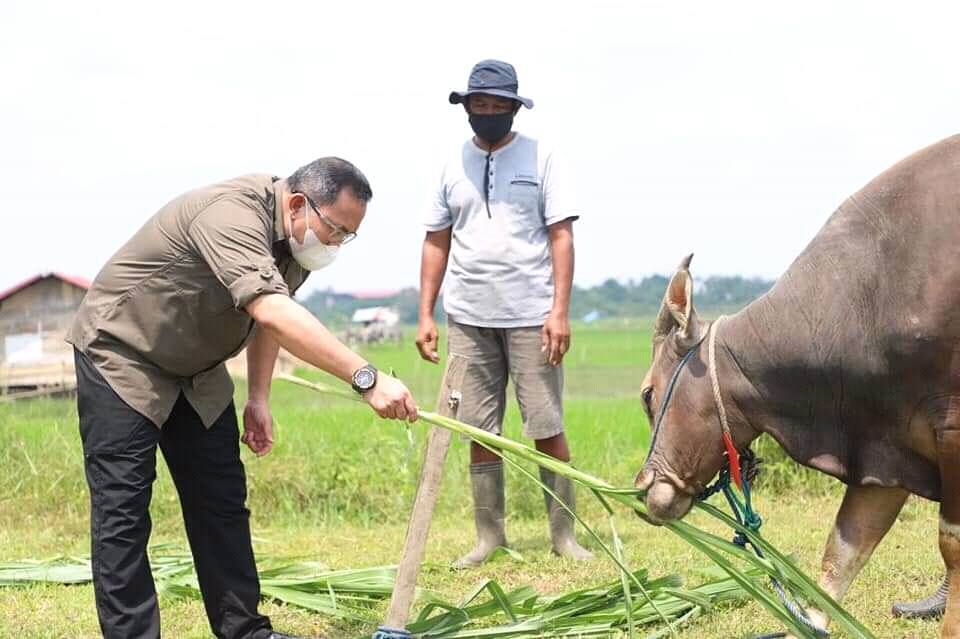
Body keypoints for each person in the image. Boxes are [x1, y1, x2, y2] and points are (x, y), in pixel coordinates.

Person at [66, 157, 418, 639]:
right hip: (125, 352)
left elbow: (272, 316)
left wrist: (258, 397)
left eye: (346, 236)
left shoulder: (297, 244)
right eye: (335, 229)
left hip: (196, 368)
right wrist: (367, 378)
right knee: (123, 509)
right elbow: (270, 308)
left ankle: (245, 631)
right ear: (298, 204)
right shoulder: (231, 214)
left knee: (221, 499)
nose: (336, 244)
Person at [415, 59, 592, 567]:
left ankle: (564, 536)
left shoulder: (543, 158)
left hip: (532, 315)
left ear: (514, 109)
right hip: (468, 316)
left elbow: (562, 235)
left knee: (545, 423)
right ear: (467, 107)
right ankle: (490, 537)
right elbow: (435, 240)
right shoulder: (451, 164)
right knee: (478, 428)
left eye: (498, 106)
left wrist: (559, 311)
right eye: (480, 105)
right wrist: (426, 314)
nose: (488, 113)